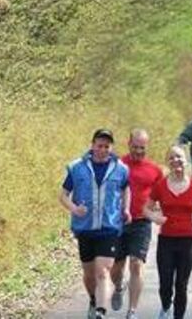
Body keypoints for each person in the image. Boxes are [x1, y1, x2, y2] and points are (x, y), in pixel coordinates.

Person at [59, 129, 131, 319]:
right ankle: (93, 299)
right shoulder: (77, 167)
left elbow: (126, 189)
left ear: (111, 147)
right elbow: (63, 195)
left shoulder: (120, 168)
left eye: (107, 146)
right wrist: (74, 209)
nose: (103, 149)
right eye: (99, 145)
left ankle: (101, 311)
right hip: (85, 229)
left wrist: (126, 208)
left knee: (103, 271)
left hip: (109, 227)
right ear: (92, 145)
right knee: (89, 274)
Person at [143, 145, 192, 319]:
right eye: (172, 158)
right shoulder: (160, 186)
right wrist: (155, 218)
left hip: (188, 241)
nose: (176, 160)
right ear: (167, 162)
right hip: (166, 241)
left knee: (181, 284)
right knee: (165, 284)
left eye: (179, 157)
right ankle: (165, 306)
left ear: (186, 161)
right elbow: (146, 209)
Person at [110, 129, 164, 319]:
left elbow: (162, 194)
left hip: (142, 223)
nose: (138, 151)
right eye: (135, 147)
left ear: (146, 146)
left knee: (136, 264)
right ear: (128, 144)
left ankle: (132, 311)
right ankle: (118, 286)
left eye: (142, 147)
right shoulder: (117, 165)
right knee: (116, 268)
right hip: (117, 222)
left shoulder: (155, 170)